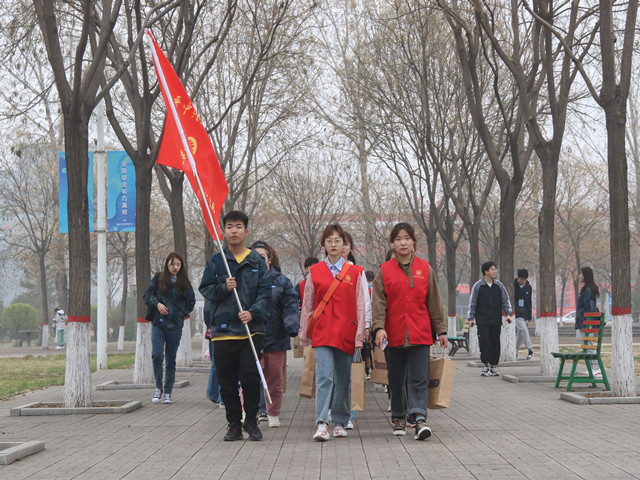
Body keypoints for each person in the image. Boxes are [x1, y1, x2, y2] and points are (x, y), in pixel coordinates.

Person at [199, 211, 271, 442]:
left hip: (251, 331)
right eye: (229, 226)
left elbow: (265, 293)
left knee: (250, 377)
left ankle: (251, 419)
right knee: (226, 381)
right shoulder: (216, 261)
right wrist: (223, 288)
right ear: (224, 231)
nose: (234, 230)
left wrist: (253, 312)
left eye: (238, 226)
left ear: (246, 231)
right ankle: (233, 423)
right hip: (222, 331)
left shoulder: (256, 261)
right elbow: (206, 289)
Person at [371, 222, 448, 440]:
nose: (403, 242)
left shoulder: (425, 269)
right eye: (398, 239)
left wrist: (441, 330)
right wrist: (378, 328)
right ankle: (398, 416)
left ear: (414, 241)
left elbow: (434, 302)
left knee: (419, 377)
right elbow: (378, 303)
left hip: (420, 333)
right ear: (392, 243)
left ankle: (419, 418)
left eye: (406, 238)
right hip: (392, 334)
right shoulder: (384, 271)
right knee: (395, 379)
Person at [299, 224, 366, 442]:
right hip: (322, 333)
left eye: (338, 240)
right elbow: (307, 304)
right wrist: (303, 334)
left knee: (343, 379)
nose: (334, 244)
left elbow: (361, 304)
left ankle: (340, 421)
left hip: (346, 332)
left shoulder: (356, 272)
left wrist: (360, 334)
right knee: (324, 377)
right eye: (329, 241)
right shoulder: (315, 272)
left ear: (344, 244)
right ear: (324, 245)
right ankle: (321, 422)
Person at [252, 241, 300, 428]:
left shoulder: (282, 281)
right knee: (249, 379)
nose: (258, 261)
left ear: (270, 259)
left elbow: (290, 305)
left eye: (262, 257)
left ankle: (273, 413)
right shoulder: (244, 281)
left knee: (275, 381)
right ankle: (247, 412)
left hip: (276, 338)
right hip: (251, 338)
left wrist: (291, 326)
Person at [143, 252, 196, 404]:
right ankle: (158, 387)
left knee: (171, 360)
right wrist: (158, 304)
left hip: (175, 326)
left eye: (178, 265)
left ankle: (168, 392)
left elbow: (190, 302)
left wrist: (181, 314)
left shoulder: (184, 282)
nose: (175, 267)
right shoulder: (158, 278)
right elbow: (147, 296)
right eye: (173, 264)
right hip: (158, 325)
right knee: (157, 355)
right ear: (167, 264)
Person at [467, 261, 513, 377]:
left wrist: (508, 314)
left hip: (496, 320)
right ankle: (485, 365)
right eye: (492, 269)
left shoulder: (499, 286)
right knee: (485, 343)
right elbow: (472, 303)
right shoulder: (478, 286)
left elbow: (505, 300)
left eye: (495, 269)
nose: (495, 271)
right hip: (482, 321)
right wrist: (470, 318)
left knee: (495, 343)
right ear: (486, 271)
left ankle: (493, 366)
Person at [576, 266, 602, 378]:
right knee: (587, 345)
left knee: (588, 345)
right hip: (586, 321)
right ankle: (592, 368)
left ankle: (596, 368)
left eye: (580, 273)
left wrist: (590, 320)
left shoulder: (587, 290)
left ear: (585, 275)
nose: (579, 276)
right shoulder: (587, 288)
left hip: (587, 322)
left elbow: (589, 306)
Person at [513, 269, 534, 359]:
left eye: (524, 280)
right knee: (524, 330)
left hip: (525, 312)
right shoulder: (513, 285)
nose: (522, 282)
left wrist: (529, 314)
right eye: (521, 280)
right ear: (518, 278)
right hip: (516, 313)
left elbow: (529, 301)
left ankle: (515, 351)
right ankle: (530, 349)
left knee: (521, 334)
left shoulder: (528, 287)